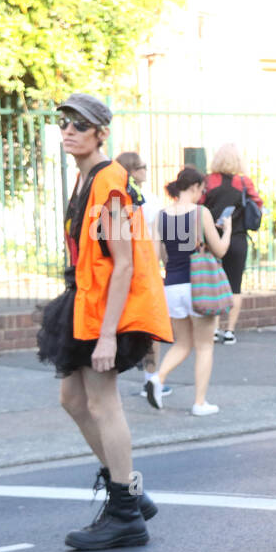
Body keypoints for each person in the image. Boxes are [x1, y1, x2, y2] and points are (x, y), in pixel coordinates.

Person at [35, 93, 171, 549]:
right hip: (86, 303)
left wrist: (108, 334)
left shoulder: (109, 180)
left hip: (109, 312)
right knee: (72, 398)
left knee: (102, 403)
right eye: (64, 122)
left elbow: (125, 263)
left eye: (79, 123)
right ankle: (127, 485)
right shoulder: (86, 178)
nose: (68, 130)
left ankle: (125, 514)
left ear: (101, 133)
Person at [144, 167, 232, 415]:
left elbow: (157, 256)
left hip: (173, 286)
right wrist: (226, 229)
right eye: (201, 191)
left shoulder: (160, 217)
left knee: (182, 343)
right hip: (199, 286)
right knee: (204, 347)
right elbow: (220, 250)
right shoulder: (200, 213)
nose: (201, 196)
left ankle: (157, 378)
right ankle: (199, 403)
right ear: (194, 187)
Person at [117, 150, 170, 401]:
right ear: (132, 171)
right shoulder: (149, 200)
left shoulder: (114, 197)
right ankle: (150, 378)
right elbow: (157, 239)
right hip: (144, 269)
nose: (146, 170)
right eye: (142, 167)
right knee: (151, 325)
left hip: (119, 267)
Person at [202, 143, 262, 344]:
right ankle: (229, 331)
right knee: (235, 285)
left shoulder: (209, 181)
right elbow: (257, 203)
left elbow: (199, 203)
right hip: (237, 238)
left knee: (214, 283)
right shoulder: (244, 183)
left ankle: (214, 329)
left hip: (212, 238)